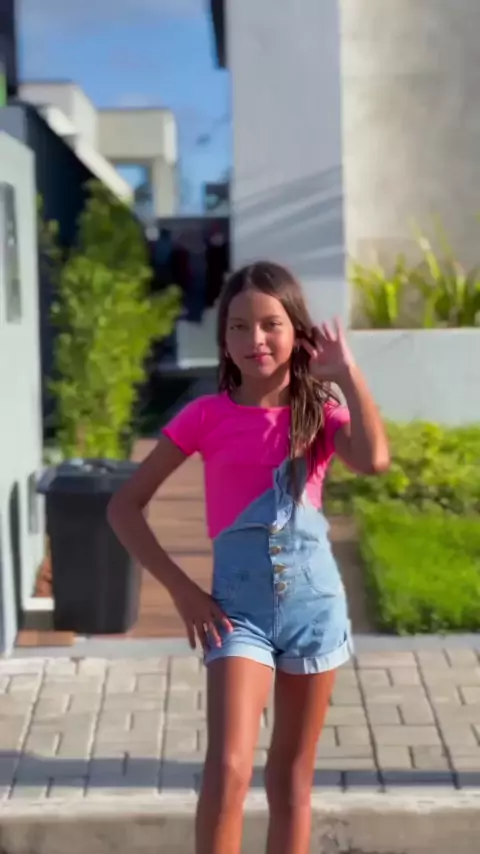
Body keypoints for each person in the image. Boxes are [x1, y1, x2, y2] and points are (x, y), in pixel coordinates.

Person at [108, 261, 390, 854]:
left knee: (291, 777)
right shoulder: (205, 416)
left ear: (297, 333)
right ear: (223, 338)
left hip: (315, 612)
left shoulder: (318, 412)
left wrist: (348, 375)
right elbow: (124, 507)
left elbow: (373, 459)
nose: (254, 339)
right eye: (238, 326)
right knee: (229, 767)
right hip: (237, 617)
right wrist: (184, 592)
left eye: (269, 324)